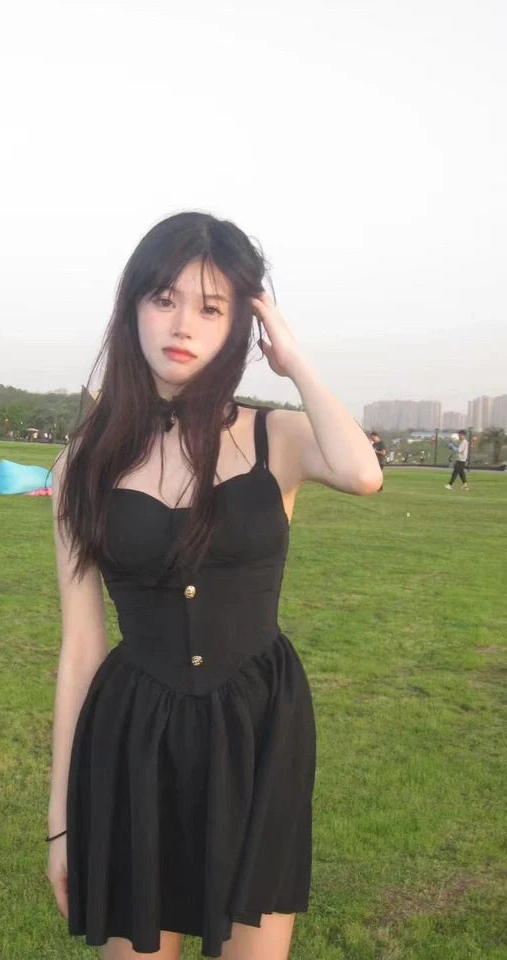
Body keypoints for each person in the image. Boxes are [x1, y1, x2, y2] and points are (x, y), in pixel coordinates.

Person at [46, 212, 383, 960]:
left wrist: (295, 362)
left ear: (241, 324)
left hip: (259, 728)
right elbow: (80, 649)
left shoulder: (277, 436)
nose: (183, 325)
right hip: (134, 738)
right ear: (132, 305)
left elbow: (363, 473)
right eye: (164, 298)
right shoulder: (84, 463)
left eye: (211, 307)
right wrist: (61, 823)